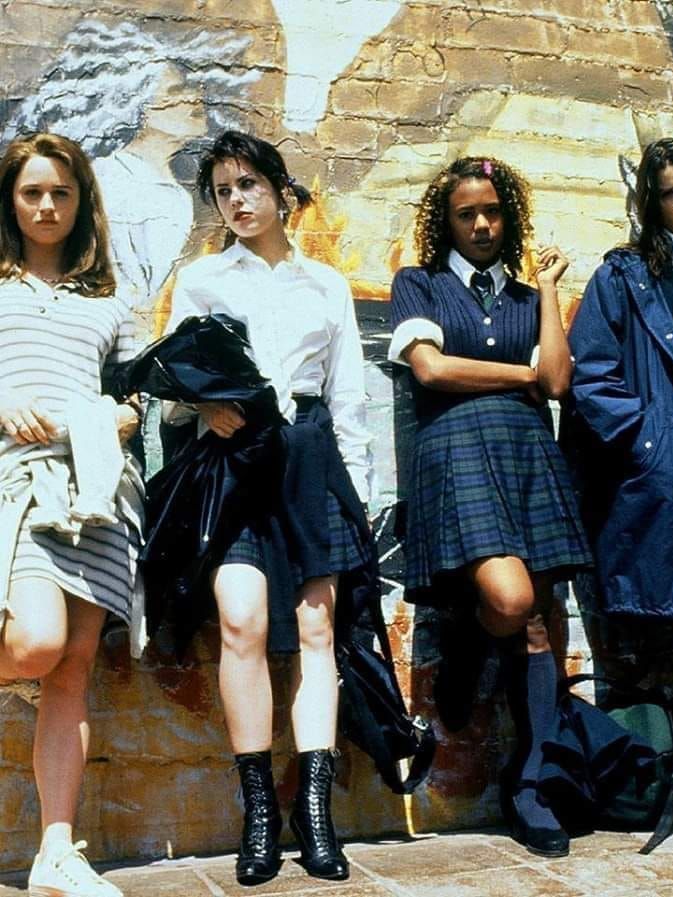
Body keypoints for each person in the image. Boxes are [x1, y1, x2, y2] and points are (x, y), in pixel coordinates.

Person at [162, 130, 372, 885]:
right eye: (223, 190)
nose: (238, 200)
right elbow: (173, 385)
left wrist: (362, 496)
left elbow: (349, 396)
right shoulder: (203, 280)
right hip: (233, 464)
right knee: (243, 622)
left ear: (282, 190)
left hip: (310, 461)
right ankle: (259, 816)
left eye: (249, 183)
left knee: (316, 629)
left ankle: (314, 817)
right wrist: (201, 404)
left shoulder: (327, 284)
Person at [389, 156, 591, 857]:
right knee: (509, 599)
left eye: (492, 212)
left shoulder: (522, 296)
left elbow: (559, 381)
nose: (480, 223)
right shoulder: (421, 283)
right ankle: (472, 638)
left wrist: (547, 291)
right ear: (445, 221)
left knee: (540, 618)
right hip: (457, 453)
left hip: (527, 453)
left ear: (508, 217)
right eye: (466, 213)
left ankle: (530, 786)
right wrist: (520, 375)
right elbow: (431, 370)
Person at [0, 132, 145, 897]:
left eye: (61, 192)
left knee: (71, 670)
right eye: (32, 193)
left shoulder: (110, 299)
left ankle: (55, 853)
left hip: (95, 491)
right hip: (18, 485)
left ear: (82, 201)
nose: (48, 206)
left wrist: (117, 417)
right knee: (34, 642)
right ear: (10, 201)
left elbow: (136, 396)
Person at [567, 137, 673, 739]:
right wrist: (649, 443)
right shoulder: (626, 277)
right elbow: (592, 374)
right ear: (650, 205)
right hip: (672, 471)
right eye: (668, 194)